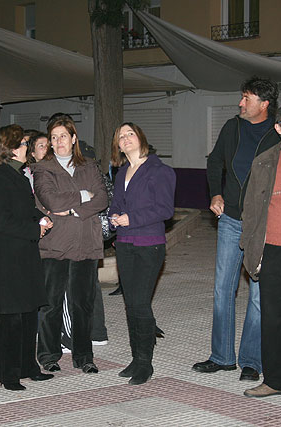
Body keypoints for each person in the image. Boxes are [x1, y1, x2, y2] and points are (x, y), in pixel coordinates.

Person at [194, 76, 280, 381]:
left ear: (264, 104)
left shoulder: (277, 134)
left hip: (262, 223)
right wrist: (215, 193)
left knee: (258, 294)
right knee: (223, 288)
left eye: (246, 98)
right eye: (242, 97)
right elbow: (215, 161)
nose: (240, 103)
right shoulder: (232, 127)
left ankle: (251, 361)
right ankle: (221, 356)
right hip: (230, 218)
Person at [239, 102, 281, 398]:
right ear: (278, 128)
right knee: (273, 318)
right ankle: (277, 380)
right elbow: (252, 209)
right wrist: (249, 245)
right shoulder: (264, 161)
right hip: (274, 250)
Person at [0, 124, 54, 391]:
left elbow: (24, 209)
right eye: (22, 143)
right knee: (11, 319)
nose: (27, 147)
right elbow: (0, 220)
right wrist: (35, 229)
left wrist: (39, 217)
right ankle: (8, 375)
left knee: (29, 313)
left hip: (23, 255)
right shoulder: (0, 177)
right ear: (10, 149)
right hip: (7, 259)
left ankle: (28, 367)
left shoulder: (19, 175)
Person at [33, 115, 108, 374]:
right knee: (51, 304)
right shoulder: (42, 169)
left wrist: (74, 210)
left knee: (83, 304)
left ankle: (84, 356)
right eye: (53, 138)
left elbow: (102, 199)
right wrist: (83, 196)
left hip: (86, 243)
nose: (58, 142)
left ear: (74, 138)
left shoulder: (89, 166)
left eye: (63, 136)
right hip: (55, 245)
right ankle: (48, 354)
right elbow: (51, 201)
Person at [108, 122, 175, 385]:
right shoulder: (122, 171)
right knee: (131, 303)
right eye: (121, 136)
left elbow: (165, 209)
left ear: (141, 137)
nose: (125, 139)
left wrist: (131, 218)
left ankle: (145, 363)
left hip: (149, 244)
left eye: (130, 134)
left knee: (139, 303)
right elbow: (116, 204)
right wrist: (114, 217)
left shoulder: (160, 170)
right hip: (125, 243)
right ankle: (136, 358)